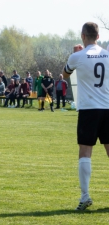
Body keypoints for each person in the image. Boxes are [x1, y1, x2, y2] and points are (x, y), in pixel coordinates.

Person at [63, 22, 109, 210]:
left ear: (83, 36)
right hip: (107, 108)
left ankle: (85, 196)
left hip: (89, 109)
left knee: (85, 152)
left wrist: (76, 54)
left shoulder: (77, 56)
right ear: (98, 36)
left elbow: (65, 75)